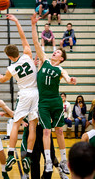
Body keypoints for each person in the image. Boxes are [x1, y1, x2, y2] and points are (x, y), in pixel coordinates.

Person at [31, 13, 76, 174]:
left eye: (57, 53)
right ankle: (49, 161)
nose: (54, 53)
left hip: (56, 101)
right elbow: (36, 42)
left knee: (59, 131)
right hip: (43, 102)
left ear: (62, 58)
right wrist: (33, 25)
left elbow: (66, 76)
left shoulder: (60, 68)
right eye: (55, 51)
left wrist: (70, 80)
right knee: (46, 131)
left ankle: (64, 161)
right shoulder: (44, 60)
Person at [0, 14, 38, 175]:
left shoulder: (11, 69)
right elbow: (23, 36)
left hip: (24, 94)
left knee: (16, 123)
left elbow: (3, 79)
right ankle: (28, 155)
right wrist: (16, 21)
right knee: (33, 126)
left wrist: (0, 78)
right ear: (18, 51)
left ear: (8, 56)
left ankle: (11, 153)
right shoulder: (27, 54)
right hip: (36, 94)